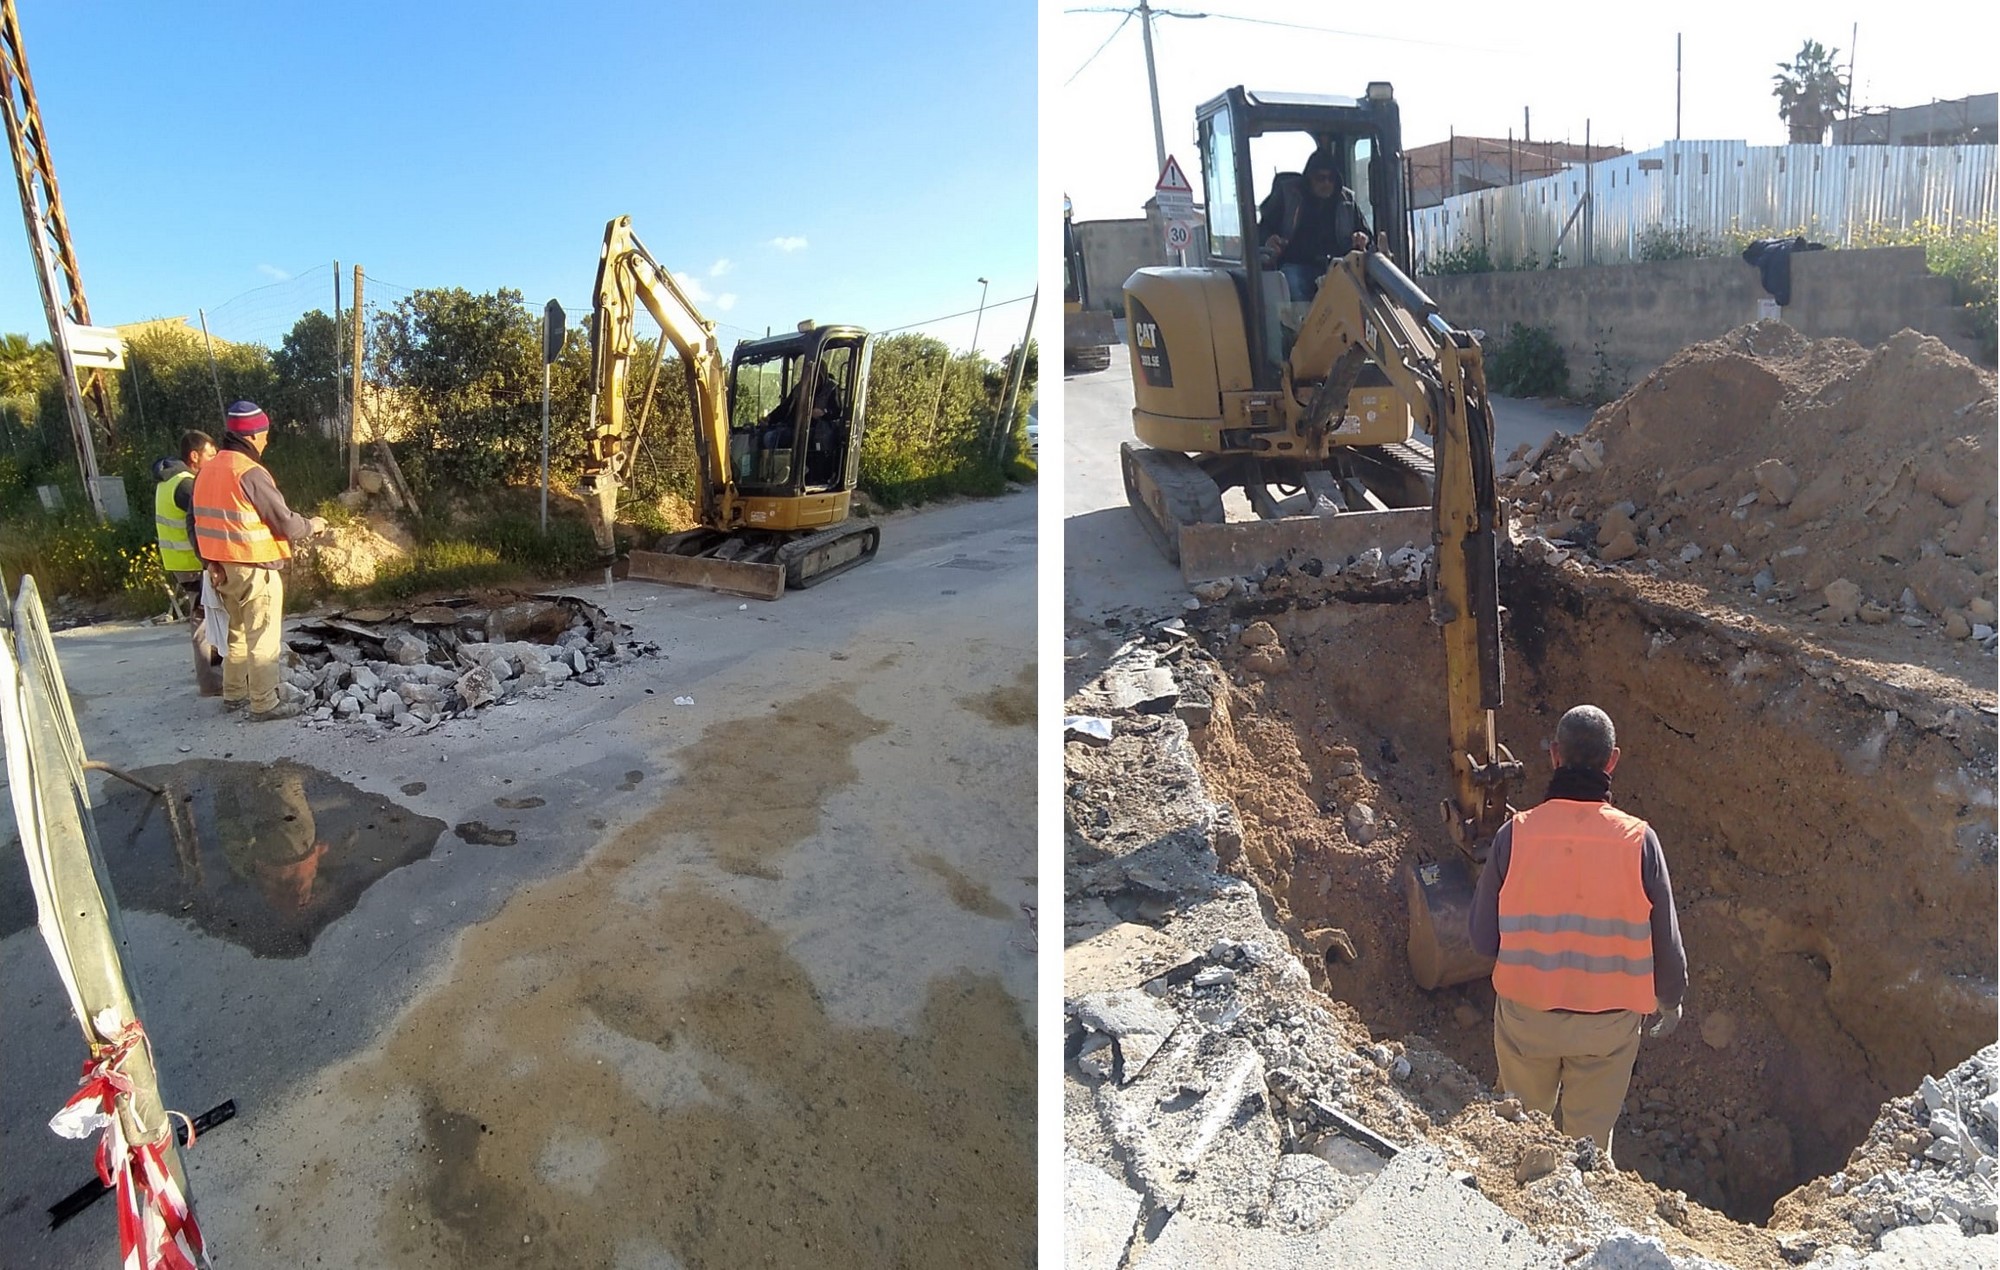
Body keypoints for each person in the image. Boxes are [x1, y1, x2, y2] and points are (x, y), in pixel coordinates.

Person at [1469, 704, 1686, 1160]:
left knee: (1518, 1139)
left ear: (1553, 756)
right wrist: (1670, 999)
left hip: (1527, 1019)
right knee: (1587, 1152)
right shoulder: (1639, 841)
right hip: (1607, 1029)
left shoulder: (1515, 835)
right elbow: (1665, 940)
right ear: (1612, 761)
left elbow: (1481, 940)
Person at [190, 401, 325, 721]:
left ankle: (234, 694)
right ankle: (264, 703)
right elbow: (285, 523)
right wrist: (314, 525)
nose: (266, 442)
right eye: (264, 435)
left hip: (221, 569)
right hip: (254, 567)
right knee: (262, 635)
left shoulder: (206, 472)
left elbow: (193, 524)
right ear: (252, 436)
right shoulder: (248, 472)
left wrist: (209, 561)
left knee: (236, 633)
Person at [154, 431, 224, 694]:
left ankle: (216, 675)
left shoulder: (168, 481)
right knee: (204, 621)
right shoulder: (186, 485)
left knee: (207, 617)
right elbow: (205, 520)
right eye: (210, 455)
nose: (214, 460)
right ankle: (210, 683)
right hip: (192, 563)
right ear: (194, 456)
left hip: (180, 562)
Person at [1257, 147, 1373, 302]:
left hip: (1337, 267)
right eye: (1320, 178)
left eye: (1331, 178)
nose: (1326, 183)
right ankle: (1301, 325)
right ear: (1309, 179)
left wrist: (1362, 238)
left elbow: (1366, 235)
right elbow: (1262, 229)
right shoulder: (1288, 197)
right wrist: (1269, 240)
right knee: (1292, 282)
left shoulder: (1347, 202)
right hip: (1296, 265)